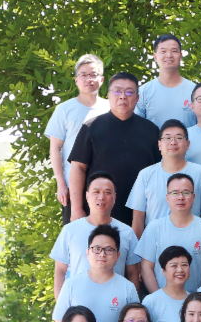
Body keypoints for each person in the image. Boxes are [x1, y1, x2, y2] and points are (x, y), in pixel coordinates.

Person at [65, 72, 160, 230]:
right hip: (98, 214)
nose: (122, 96)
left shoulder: (151, 131)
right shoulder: (91, 127)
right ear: (108, 96)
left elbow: (160, 172)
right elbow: (78, 168)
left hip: (141, 216)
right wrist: (76, 209)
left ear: (137, 98)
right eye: (117, 91)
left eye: (129, 92)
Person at [54, 218, 142, 322]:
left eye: (109, 250)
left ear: (118, 256)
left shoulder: (128, 288)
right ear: (88, 253)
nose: (102, 254)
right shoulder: (71, 285)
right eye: (97, 249)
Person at [130, 120, 201, 228]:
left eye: (179, 137)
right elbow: (138, 217)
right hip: (155, 238)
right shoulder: (145, 175)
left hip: (192, 237)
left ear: (188, 144)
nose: (173, 142)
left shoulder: (200, 173)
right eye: (167, 138)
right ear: (159, 145)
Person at [47, 55, 107, 216]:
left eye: (93, 74)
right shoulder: (64, 109)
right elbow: (55, 149)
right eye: (83, 75)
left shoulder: (110, 108)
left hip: (105, 187)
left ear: (101, 79)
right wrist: (61, 184)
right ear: (76, 80)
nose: (88, 79)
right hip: (73, 188)